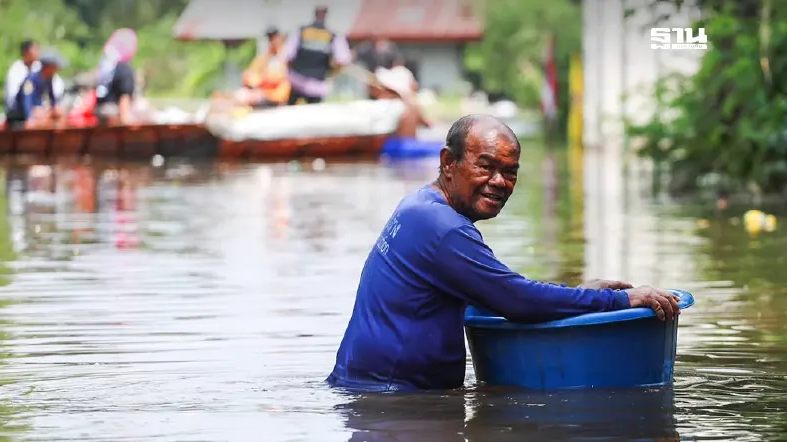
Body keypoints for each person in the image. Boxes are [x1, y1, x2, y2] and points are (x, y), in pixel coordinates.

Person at [326, 114, 682, 392]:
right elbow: (516, 300)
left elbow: (497, 291)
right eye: (486, 166)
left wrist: (582, 293)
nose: (499, 182)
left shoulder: (420, 206)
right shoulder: (444, 228)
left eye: (510, 172)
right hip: (393, 404)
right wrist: (620, 302)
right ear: (448, 162)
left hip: (374, 394)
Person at [282, 5, 352, 105]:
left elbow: (288, 56)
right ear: (326, 15)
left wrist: (291, 74)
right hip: (317, 85)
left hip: (297, 82)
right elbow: (343, 60)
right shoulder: (332, 35)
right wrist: (331, 73)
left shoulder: (301, 31)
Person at [5, 51, 64, 129]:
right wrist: (29, 117)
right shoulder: (31, 80)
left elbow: (52, 97)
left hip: (36, 109)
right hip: (20, 113)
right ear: (48, 67)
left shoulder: (49, 79)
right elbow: (27, 100)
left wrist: (54, 108)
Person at [233, 27, 291, 108]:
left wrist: (262, 80)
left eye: (274, 38)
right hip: (262, 94)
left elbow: (280, 78)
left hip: (278, 96)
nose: (272, 41)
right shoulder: (265, 57)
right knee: (241, 95)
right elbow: (248, 75)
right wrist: (253, 80)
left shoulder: (287, 56)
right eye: (270, 38)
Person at [94, 28, 138, 125]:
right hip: (115, 118)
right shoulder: (123, 69)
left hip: (101, 116)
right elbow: (124, 100)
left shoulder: (105, 67)